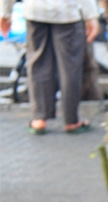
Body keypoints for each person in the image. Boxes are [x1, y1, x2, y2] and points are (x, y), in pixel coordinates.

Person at [0, 0, 100, 135]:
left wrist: (5, 12)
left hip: (35, 10)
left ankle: (39, 118)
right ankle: (71, 120)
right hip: (67, 12)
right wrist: (91, 15)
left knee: (38, 62)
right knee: (70, 66)